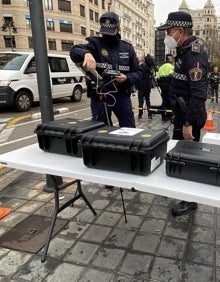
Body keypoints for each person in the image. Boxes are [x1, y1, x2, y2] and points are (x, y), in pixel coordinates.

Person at [158, 11, 209, 216]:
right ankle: (181, 189)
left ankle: (190, 200)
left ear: (180, 31)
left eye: (169, 31)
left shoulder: (194, 54)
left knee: (189, 158)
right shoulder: (183, 50)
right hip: (181, 113)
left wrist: (188, 122)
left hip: (190, 116)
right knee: (180, 153)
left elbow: (198, 93)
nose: (166, 35)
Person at [70, 12, 142, 128]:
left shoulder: (127, 48)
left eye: (111, 33)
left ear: (118, 29)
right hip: (100, 96)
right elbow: (74, 50)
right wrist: (86, 53)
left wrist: (127, 78)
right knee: (100, 130)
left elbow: (139, 73)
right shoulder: (94, 43)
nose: (107, 36)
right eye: (105, 33)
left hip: (121, 95)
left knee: (129, 128)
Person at [157, 54, 174, 121]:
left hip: (163, 88)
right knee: (170, 102)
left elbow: (157, 78)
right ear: (170, 60)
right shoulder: (171, 67)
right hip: (170, 88)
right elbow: (174, 77)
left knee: (164, 102)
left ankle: (163, 116)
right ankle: (169, 115)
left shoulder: (161, 67)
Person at [136, 56, 152, 120]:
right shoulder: (148, 68)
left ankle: (140, 115)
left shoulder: (140, 67)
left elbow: (138, 78)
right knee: (148, 101)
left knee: (140, 102)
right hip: (147, 88)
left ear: (141, 60)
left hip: (141, 88)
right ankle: (149, 115)